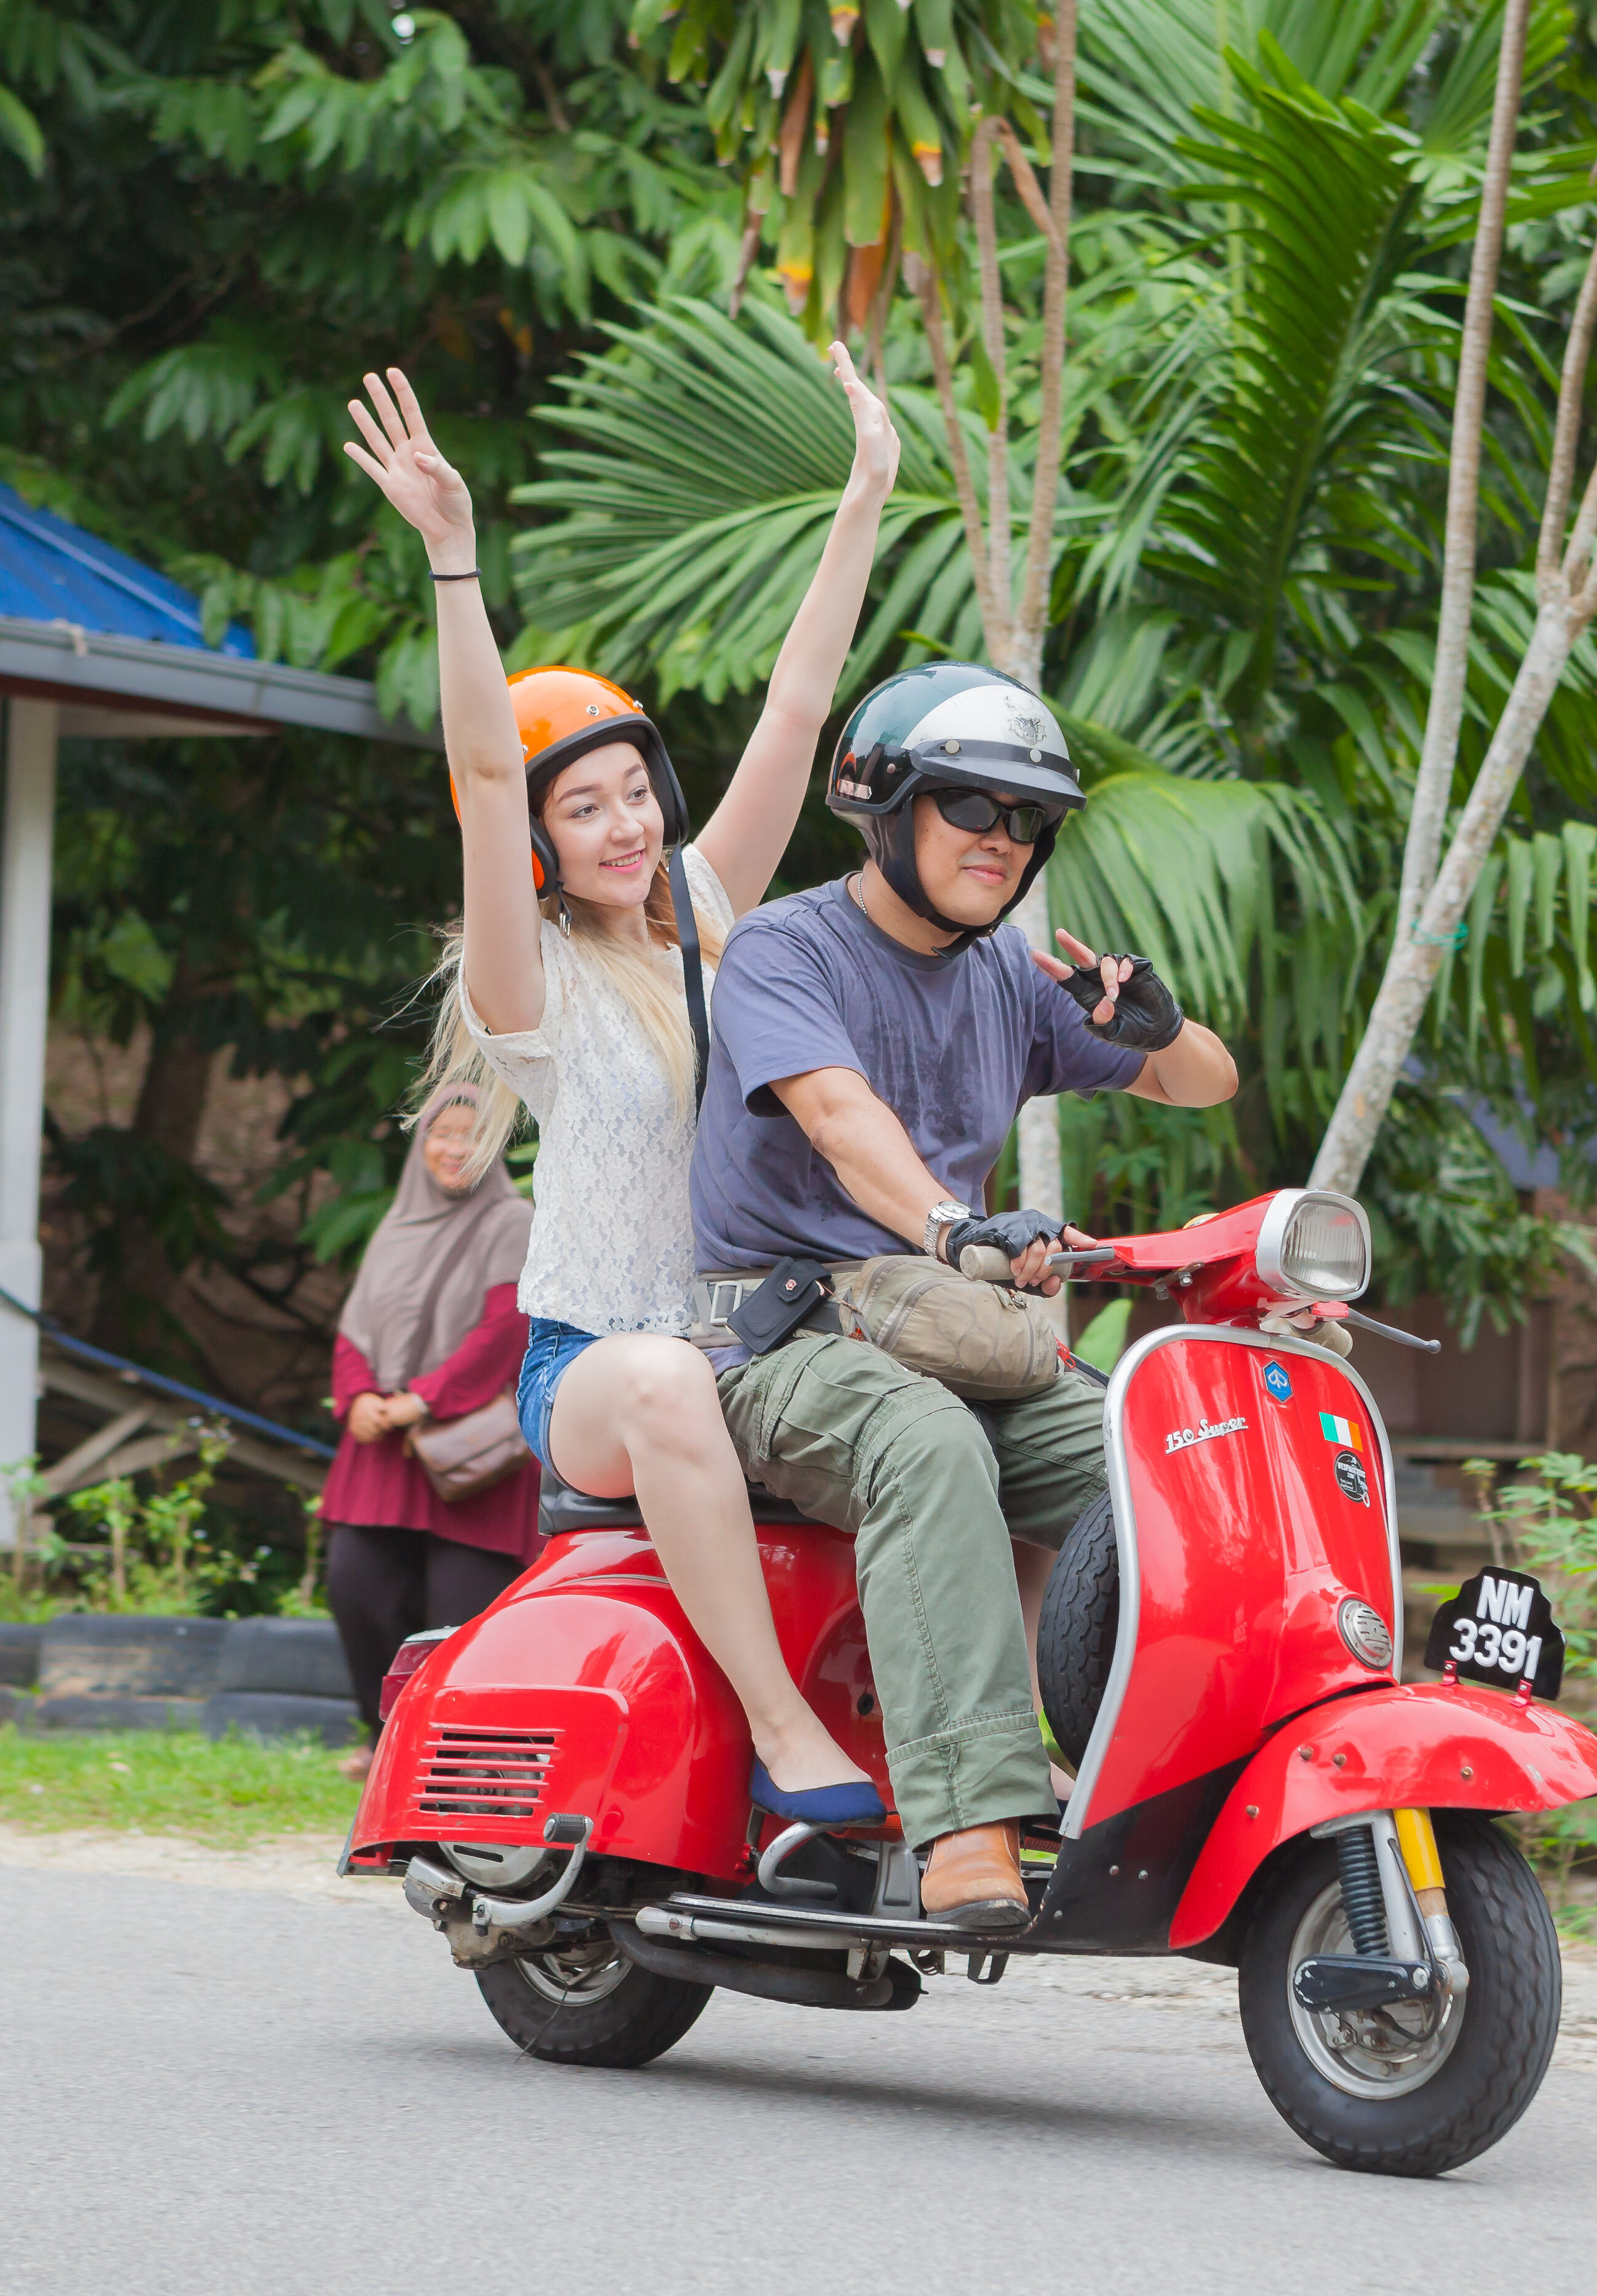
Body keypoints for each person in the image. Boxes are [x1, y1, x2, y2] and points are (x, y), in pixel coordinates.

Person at [343, 347, 896, 1821]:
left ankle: (974, 1744)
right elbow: (477, 770)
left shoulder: (713, 921)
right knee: (658, 1378)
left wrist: (860, 504)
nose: (622, 824)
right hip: (594, 1360)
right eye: (577, 808)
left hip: (749, 1339)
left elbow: (794, 713)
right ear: (535, 846)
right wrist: (453, 563)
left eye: (631, 790)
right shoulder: (524, 991)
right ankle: (783, 1737)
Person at [688, 661, 1242, 1928]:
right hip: (779, 1337)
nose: (1002, 840)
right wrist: (953, 1223)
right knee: (928, 1444)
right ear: (889, 808)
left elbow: (1204, 1082)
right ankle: (967, 1827)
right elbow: (839, 1116)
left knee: (1163, 1455)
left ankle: (1152, 1779)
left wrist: (1159, 1028)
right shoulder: (787, 947)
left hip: (941, 1335)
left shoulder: (1004, 974)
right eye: (971, 808)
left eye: (1025, 820)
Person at [321, 1088, 536, 1771]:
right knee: (356, 1585)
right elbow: (356, 1325)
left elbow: (507, 1324)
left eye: (472, 1135)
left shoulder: (513, 1220)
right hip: (384, 1442)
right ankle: (382, 1734)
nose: (454, 1148)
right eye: (442, 1133)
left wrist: (425, 1398)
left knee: (457, 1610)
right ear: (423, 1142)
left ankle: (442, 1753)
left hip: (469, 1446)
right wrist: (356, 1395)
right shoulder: (396, 1225)